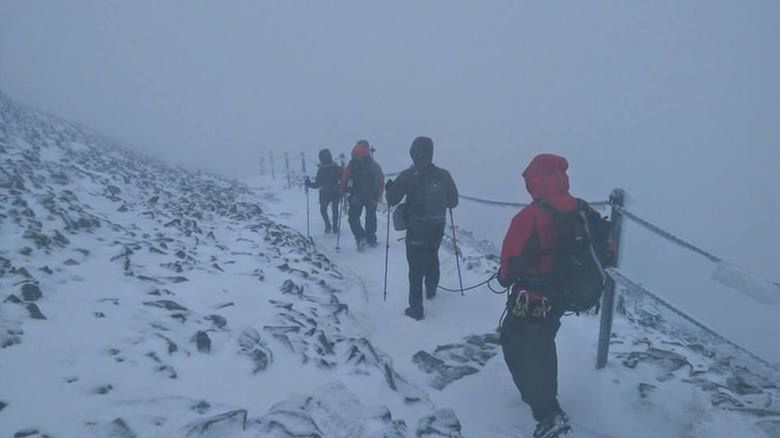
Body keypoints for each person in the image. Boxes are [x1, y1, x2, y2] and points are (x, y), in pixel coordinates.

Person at [496, 153, 577, 438]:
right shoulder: (580, 209)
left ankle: (548, 414)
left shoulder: (529, 216)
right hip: (562, 295)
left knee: (515, 344)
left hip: (531, 297)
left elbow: (509, 263)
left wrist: (504, 277)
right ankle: (546, 395)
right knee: (543, 341)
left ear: (536, 180)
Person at [385, 136, 458, 321]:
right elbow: (453, 202)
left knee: (415, 266)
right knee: (432, 254)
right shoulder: (443, 174)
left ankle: (416, 308)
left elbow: (392, 200)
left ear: (413, 153)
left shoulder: (408, 175)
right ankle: (431, 289)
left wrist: (389, 189)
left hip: (416, 227)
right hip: (437, 225)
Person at [339, 140, 384, 251]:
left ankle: (360, 237)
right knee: (371, 217)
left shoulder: (352, 162)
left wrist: (342, 189)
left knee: (353, 218)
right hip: (371, 195)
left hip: (356, 195)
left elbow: (345, 177)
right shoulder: (373, 164)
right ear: (368, 149)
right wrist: (378, 195)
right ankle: (371, 239)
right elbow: (381, 179)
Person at [305, 148, 343, 233]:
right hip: (335, 192)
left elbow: (317, 185)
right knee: (335, 209)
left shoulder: (321, 170)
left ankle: (328, 226)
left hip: (324, 193)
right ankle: (335, 227)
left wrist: (308, 183)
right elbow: (343, 179)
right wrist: (341, 187)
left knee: (323, 209)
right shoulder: (337, 168)